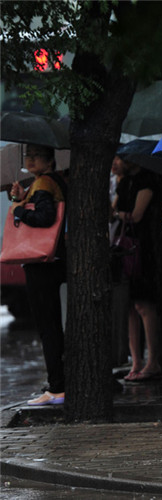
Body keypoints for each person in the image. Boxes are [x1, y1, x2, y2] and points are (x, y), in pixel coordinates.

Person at [10, 144, 67, 406]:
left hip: (41, 263)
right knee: (52, 325)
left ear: (49, 159)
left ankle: (57, 387)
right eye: (28, 156)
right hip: (53, 260)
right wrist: (21, 198)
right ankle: (58, 383)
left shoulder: (44, 182)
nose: (30, 160)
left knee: (48, 327)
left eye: (36, 156)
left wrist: (20, 210)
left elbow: (44, 218)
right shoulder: (53, 181)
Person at [110, 154, 162, 382]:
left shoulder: (145, 181)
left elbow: (137, 215)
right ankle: (136, 360)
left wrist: (116, 214)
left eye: (120, 158)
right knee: (130, 306)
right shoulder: (123, 183)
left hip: (141, 247)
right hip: (124, 248)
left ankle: (153, 360)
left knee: (143, 305)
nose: (115, 162)